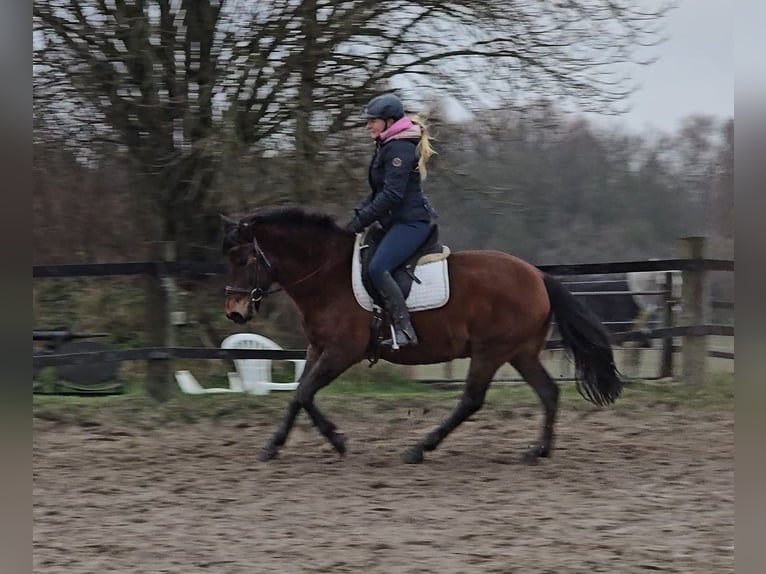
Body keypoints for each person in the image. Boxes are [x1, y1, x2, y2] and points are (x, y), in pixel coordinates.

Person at [345, 93, 438, 348]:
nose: (368, 125)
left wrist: (362, 220)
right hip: (393, 222)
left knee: (377, 268)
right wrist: (356, 217)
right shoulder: (386, 144)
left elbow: (392, 195)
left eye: (373, 120)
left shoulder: (399, 148)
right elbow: (377, 192)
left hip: (411, 223)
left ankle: (404, 329)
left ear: (389, 121)